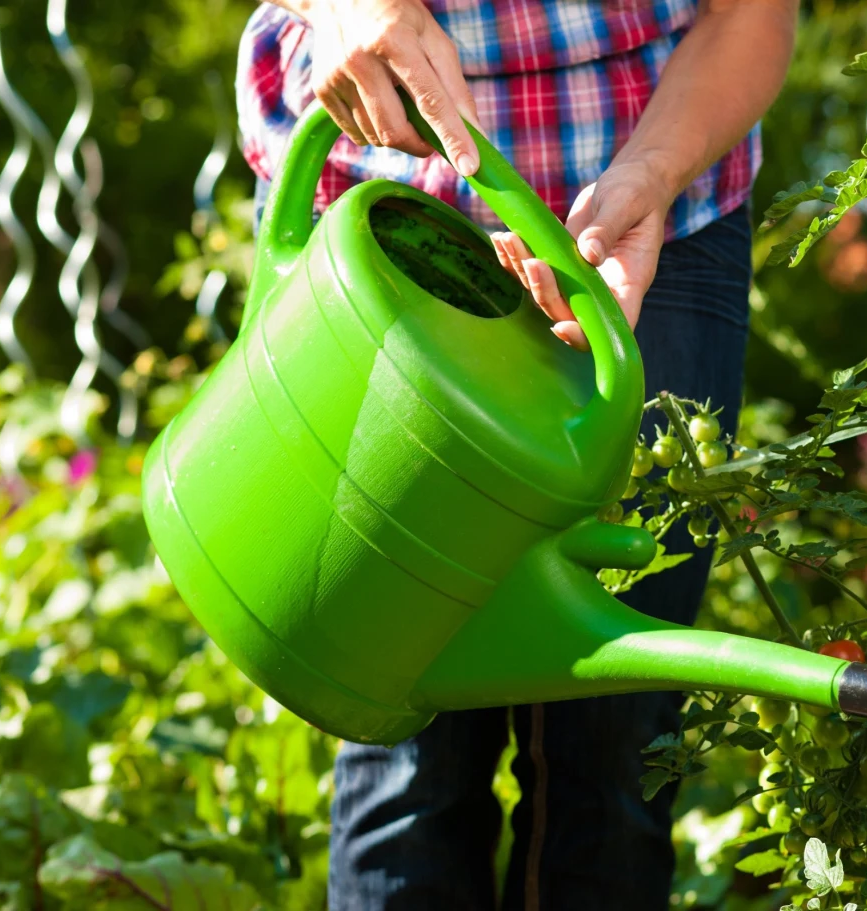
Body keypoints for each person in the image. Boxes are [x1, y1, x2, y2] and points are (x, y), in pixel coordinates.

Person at [236, 1, 797, 907]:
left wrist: (651, 176)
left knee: (614, 749)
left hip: (648, 212)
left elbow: (750, 11)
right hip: (379, 219)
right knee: (403, 743)